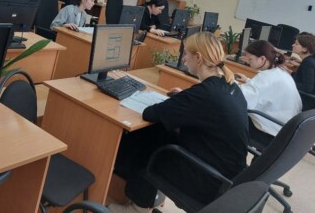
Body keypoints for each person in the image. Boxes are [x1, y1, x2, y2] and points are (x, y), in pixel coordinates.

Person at [113, 31, 248, 211]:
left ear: (198, 57)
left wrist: (183, 100)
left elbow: (150, 113)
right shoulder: (230, 85)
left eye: (186, 54)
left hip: (207, 180)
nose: (183, 59)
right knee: (160, 133)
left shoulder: (204, 94)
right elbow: (203, 108)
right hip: (226, 176)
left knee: (146, 143)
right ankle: (143, 200)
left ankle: (136, 209)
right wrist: (183, 98)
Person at [235, 39, 302, 145]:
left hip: (269, 133)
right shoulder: (281, 72)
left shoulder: (266, 76)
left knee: (229, 116)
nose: (248, 61)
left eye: (250, 59)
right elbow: (266, 90)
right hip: (284, 130)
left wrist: (231, 83)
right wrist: (248, 80)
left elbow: (242, 99)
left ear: (262, 59)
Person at [289, 33, 315, 99]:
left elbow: (308, 87)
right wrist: (291, 73)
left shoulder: (307, 62)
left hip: (306, 100)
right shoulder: (308, 60)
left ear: (305, 49)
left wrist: (287, 82)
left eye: (296, 44)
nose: (293, 45)